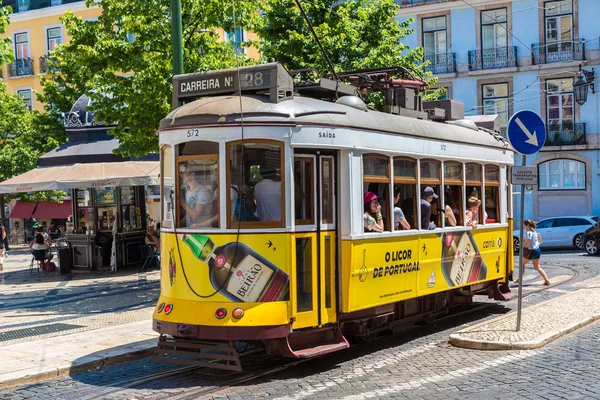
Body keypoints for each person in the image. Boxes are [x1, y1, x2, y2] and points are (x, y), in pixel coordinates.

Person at [516, 219, 550, 286]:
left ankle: (519, 279)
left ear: (527, 225)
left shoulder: (528, 233)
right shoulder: (534, 231)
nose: (524, 227)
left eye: (524, 226)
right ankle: (547, 280)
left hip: (530, 251)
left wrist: (524, 245)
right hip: (537, 250)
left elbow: (528, 244)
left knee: (521, 264)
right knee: (537, 267)